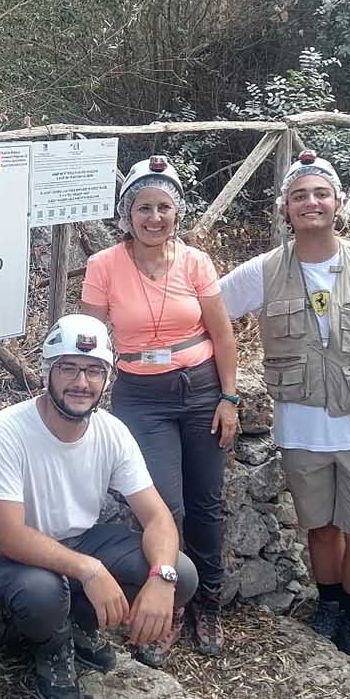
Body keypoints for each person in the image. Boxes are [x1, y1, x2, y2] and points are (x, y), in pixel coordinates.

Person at [218, 150, 350, 666]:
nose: (311, 203)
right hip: (300, 431)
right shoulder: (264, 270)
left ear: (338, 203)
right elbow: (208, 312)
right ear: (285, 208)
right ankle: (327, 607)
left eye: (320, 193)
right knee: (320, 530)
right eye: (299, 195)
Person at [0, 314, 199, 699]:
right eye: (69, 368)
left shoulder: (111, 431)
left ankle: (80, 624)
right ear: (47, 372)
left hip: (81, 540)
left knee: (181, 573)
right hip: (15, 557)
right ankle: (53, 644)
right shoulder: (5, 431)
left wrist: (161, 578)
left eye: (94, 371)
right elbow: (8, 534)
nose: (81, 383)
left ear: (108, 378)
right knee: (43, 594)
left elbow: (158, 517)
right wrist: (90, 570)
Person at [80, 155, 239, 665]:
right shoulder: (104, 265)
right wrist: (83, 396)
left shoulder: (195, 262)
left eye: (164, 207)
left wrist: (229, 397)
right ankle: (168, 603)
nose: (154, 217)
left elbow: (222, 333)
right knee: (162, 505)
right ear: (127, 213)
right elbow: (90, 337)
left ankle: (209, 601)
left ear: (177, 212)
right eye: (144, 207)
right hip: (140, 396)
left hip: (200, 389)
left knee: (207, 502)